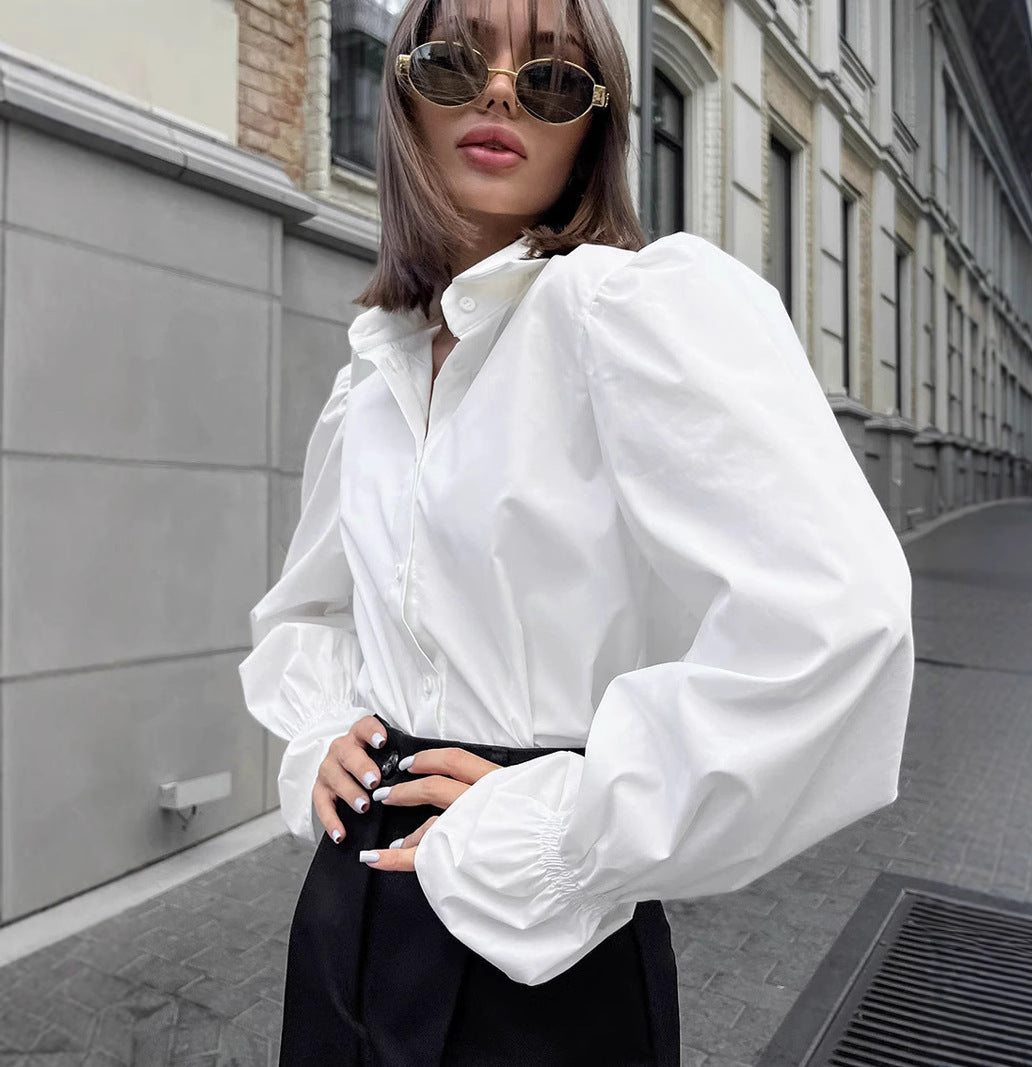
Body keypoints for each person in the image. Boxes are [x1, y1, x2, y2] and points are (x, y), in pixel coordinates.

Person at [238, 0, 915, 1060]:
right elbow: (315, 606)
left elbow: (837, 618)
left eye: (551, 79)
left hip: (535, 930)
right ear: (403, 98)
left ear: (591, 127)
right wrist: (319, 729)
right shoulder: (374, 371)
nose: (499, 93)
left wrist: (577, 822)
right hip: (348, 904)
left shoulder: (624, 311)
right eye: (455, 63)